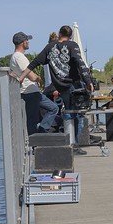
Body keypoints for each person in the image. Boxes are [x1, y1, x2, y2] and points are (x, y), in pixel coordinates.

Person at [19, 25, 94, 155]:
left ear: (59, 34)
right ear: (70, 36)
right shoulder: (72, 45)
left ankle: (70, 143)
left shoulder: (49, 47)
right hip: (74, 84)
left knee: (70, 113)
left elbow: (34, 62)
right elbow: (79, 62)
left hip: (60, 86)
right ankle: (74, 145)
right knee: (77, 115)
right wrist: (88, 81)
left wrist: (21, 78)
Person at [9, 32, 59, 135]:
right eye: (27, 40)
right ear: (23, 43)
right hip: (30, 92)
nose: (28, 42)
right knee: (35, 118)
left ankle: (40, 133)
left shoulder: (14, 57)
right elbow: (30, 75)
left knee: (51, 109)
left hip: (30, 92)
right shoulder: (19, 57)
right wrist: (38, 78)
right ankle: (37, 137)